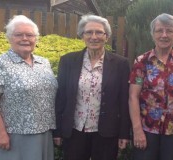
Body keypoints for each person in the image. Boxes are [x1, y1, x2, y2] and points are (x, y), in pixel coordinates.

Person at [53, 14, 131, 160]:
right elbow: (60, 98)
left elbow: (124, 101)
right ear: (82, 36)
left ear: (106, 36)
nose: (93, 37)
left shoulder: (120, 64)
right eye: (88, 32)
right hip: (75, 130)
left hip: (107, 131)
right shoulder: (68, 61)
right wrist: (57, 131)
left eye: (99, 32)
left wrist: (124, 133)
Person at [0, 15, 57, 160]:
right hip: (14, 135)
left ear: (36, 39)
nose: (25, 38)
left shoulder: (44, 63)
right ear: (10, 38)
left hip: (44, 132)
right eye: (19, 35)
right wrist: (0, 133)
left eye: (29, 35)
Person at [129, 13, 173, 160]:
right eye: (159, 30)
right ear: (153, 34)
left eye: (169, 31)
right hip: (147, 129)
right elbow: (133, 96)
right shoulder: (141, 62)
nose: (164, 35)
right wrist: (137, 130)